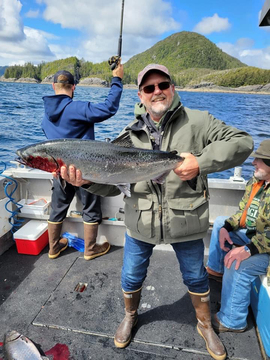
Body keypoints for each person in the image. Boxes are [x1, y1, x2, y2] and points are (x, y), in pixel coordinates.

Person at [58, 64, 253, 360]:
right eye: (149, 88)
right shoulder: (127, 136)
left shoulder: (199, 122)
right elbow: (113, 188)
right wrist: (87, 182)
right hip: (140, 223)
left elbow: (243, 143)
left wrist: (200, 163)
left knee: (196, 277)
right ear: (140, 95)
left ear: (172, 88)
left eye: (162, 84)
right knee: (131, 276)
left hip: (186, 221)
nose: (157, 91)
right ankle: (130, 315)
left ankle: (204, 325)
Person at [42, 63, 124, 260]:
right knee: (90, 208)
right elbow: (109, 108)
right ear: (74, 87)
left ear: (53, 87)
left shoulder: (46, 115)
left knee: (57, 208)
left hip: (60, 171)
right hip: (85, 171)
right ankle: (90, 249)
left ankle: (53, 248)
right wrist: (117, 80)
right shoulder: (77, 107)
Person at [206, 139, 270, 333]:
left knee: (238, 264)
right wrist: (227, 226)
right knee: (218, 224)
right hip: (254, 237)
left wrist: (248, 250)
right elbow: (243, 213)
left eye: (259, 159)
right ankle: (216, 272)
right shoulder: (256, 183)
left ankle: (232, 321)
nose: (253, 163)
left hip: (266, 248)